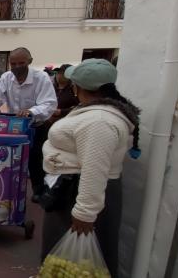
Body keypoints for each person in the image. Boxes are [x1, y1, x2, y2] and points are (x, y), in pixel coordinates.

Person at [40, 59, 140, 278]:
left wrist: (84, 213)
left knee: (77, 259)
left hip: (78, 193)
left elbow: (95, 168)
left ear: (78, 87)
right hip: (71, 188)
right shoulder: (96, 112)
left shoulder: (99, 120)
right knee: (63, 259)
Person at [0, 47, 57, 203]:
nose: (17, 67)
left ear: (30, 61)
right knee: (13, 158)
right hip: (15, 126)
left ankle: (39, 190)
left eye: (21, 63)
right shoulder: (6, 77)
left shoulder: (41, 78)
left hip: (37, 126)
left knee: (36, 160)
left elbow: (49, 104)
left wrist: (31, 111)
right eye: (13, 63)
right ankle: (11, 188)